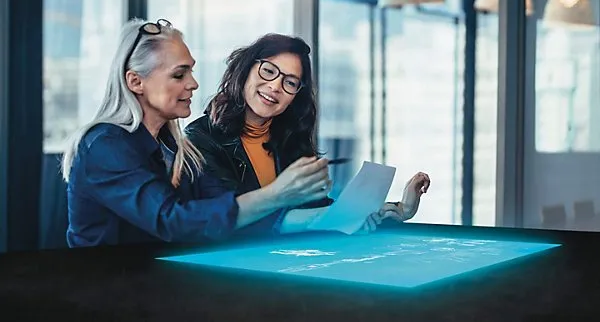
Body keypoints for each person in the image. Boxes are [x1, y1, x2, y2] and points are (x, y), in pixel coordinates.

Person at [61, 19, 361, 248]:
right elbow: (172, 220)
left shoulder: (176, 149)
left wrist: (351, 215)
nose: (193, 83)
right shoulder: (104, 144)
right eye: (179, 75)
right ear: (135, 82)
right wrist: (277, 194)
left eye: (191, 71)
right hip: (107, 294)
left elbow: (232, 213)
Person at [184, 33, 431, 235]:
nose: (275, 87)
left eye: (290, 82)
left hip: (288, 270)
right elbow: (235, 218)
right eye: (268, 71)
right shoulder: (200, 139)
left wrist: (394, 209)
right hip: (227, 273)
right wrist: (329, 217)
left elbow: (320, 212)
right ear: (246, 69)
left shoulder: (289, 139)